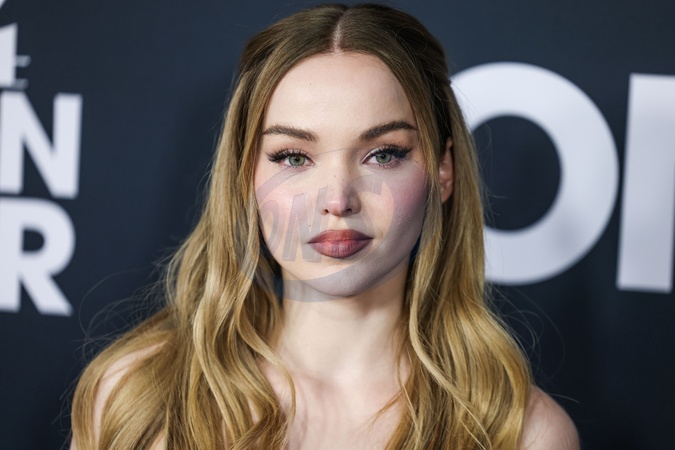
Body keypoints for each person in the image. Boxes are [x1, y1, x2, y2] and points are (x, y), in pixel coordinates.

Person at [70, 3, 579, 449]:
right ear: (245, 175)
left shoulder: (520, 434)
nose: (337, 200)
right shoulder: (136, 397)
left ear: (443, 171)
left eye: (384, 154)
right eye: (294, 157)